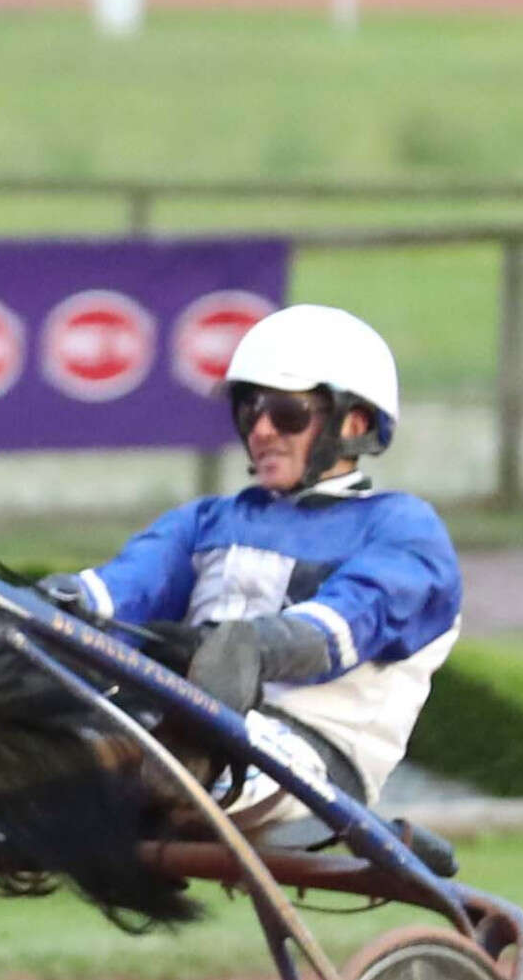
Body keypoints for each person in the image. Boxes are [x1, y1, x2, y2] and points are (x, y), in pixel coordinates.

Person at [40, 302, 461, 821]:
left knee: (147, 743)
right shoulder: (207, 521)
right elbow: (124, 589)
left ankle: (172, 768)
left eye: (287, 413)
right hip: (187, 725)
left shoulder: (402, 528)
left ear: (353, 422)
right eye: (249, 410)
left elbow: (344, 623)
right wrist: (57, 604)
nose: (261, 430)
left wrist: (237, 647)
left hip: (315, 761)